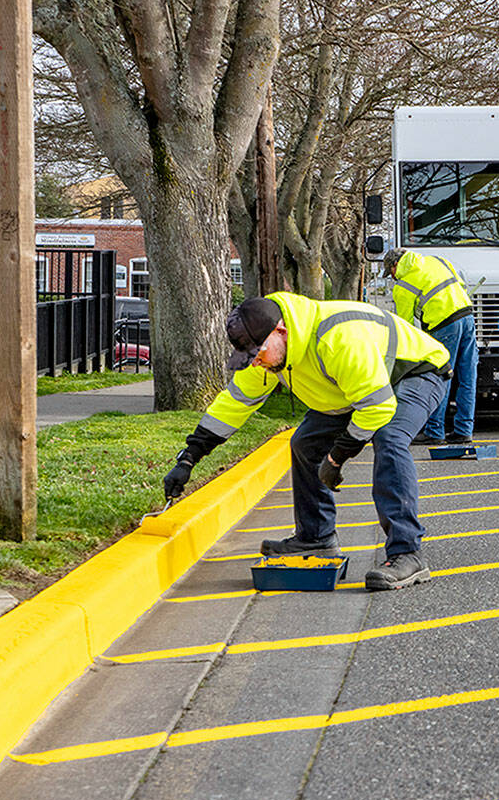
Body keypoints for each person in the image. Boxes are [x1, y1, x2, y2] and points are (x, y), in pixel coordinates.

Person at [162, 293, 450, 590]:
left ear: (281, 332)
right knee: (304, 443)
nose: (256, 362)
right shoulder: (271, 354)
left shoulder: (336, 339)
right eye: (250, 357)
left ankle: (407, 552)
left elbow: (378, 406)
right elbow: (232, 405)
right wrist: (188, 458)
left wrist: (336, 458)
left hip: (414, 372)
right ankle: (316, 538)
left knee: (389, 439)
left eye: (258, 354)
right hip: (357, 387)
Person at [383, 248, 478, 446]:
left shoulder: (403, 286)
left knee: (440, 377)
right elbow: (460, 285)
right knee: (467, 376)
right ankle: (464, 430)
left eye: (390, 272)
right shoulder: (438, 260)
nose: (392, 277)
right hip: (468, 316)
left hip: (443, 325)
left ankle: (434, 431)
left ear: (395, 266)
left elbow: (405, 327)